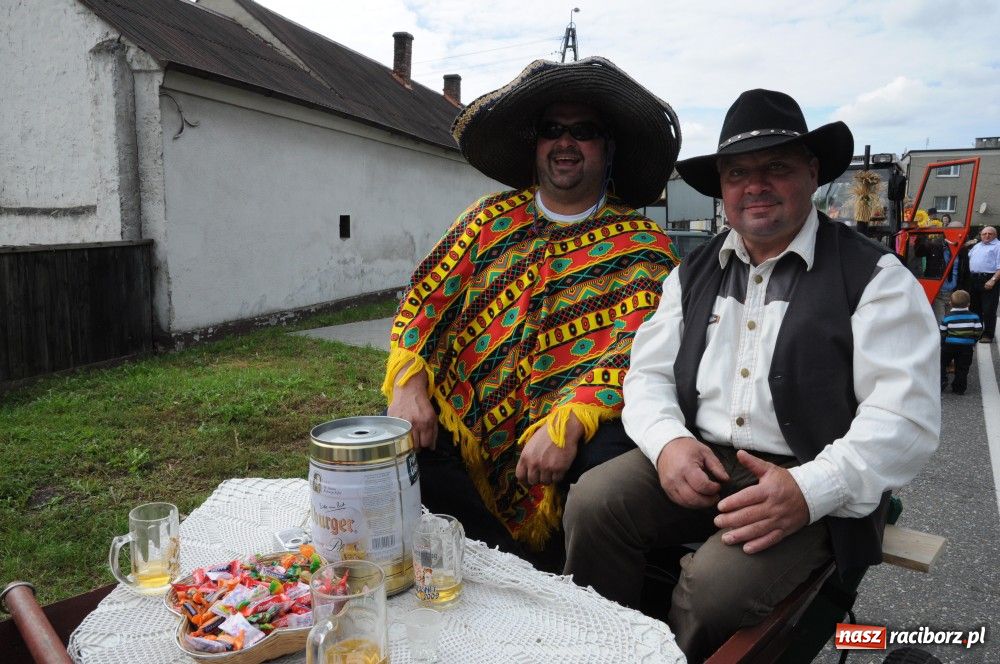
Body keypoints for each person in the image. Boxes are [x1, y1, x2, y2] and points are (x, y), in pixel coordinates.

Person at [563, 89, 939, 661]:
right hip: (704, 457)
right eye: (738, 173)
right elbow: (647, 375)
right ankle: (604, 650)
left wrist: (810, 489)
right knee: (593, 504)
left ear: (812, 173)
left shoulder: (876, 277)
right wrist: (669, 444)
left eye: (776, 167)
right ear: (722, 188)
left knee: (712, 589)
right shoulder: (692, 272)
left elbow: (904, 418)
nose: (755, 185)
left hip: (807, 473)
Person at [382, 57, 681, 564]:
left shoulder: (642, 246)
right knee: (399, 437)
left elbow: (638, 352)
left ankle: (553, 574)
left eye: (584, 131)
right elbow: (422, 302)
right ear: (535, 143)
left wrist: (568, 421)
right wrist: (408, 385)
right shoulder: (486, 222)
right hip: (474, 422)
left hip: (577, 436)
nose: (565, 142)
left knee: (604, 460)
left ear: (608, 147)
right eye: (552, 130)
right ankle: (497, 564)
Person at [940, 289, 982, 394]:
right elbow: (978, 331)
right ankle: (959, 388)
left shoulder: (947, 317)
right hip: (966, 347)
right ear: (968, 304)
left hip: (949, 345)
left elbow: (942, 331)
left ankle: (942, 380)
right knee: (962, 367)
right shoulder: (974, 317)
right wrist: (973, 340)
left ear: (950, 303)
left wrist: (943, 342)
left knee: (942, 363)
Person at [967, 226, 1000, 343]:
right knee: (974, 308)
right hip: (974, 279)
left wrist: (993, 280)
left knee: (988, 309)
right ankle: (976, 332)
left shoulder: (998, 246)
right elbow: (968, 256)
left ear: (995, 235)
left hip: (989, 278)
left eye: (990, 234)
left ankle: (988, 335)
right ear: (980, 235)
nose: (987, 235)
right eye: (984, 234)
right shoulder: (977, 246)